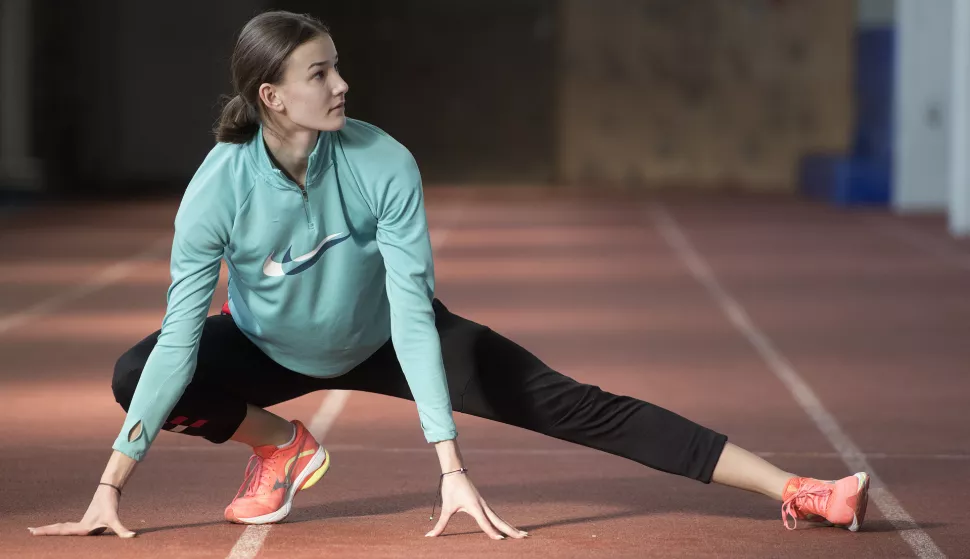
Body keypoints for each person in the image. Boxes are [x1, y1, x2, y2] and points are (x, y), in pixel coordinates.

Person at [27, 10, 869, 540]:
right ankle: (280, 444)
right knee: (138, 372)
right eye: (319, 71)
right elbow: (182, 338)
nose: (342, 82)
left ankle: (798, 486)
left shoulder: (383, 160)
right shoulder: (218, 187)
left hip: (385, 336)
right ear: (272, 97)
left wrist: (450, 464)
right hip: (266, 347)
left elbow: (411, 309)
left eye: (336, 65)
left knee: (575, 403)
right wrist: (112, 487)